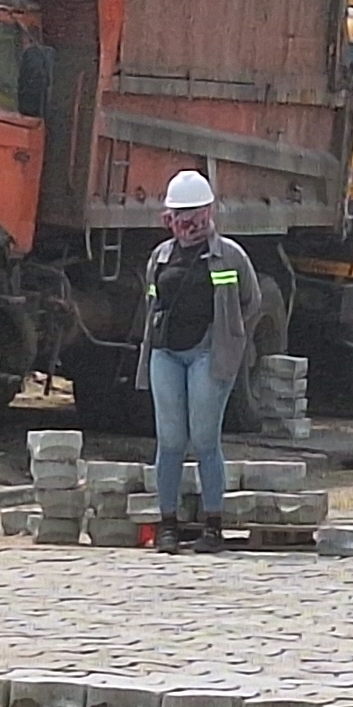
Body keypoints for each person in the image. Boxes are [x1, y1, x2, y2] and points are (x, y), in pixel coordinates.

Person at [136, 169, 260, 553]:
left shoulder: (230, 256)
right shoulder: (160, 257)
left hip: (208, 353)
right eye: (182, 217)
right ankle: (168, 525)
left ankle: (212, 527)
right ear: (168, 219)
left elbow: (251, 302)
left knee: (205, 439)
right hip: (166, 354)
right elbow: (152, 301)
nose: (191, 225)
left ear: (210, 214)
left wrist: (229, 341)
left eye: (198, 216)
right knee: (170, 441)